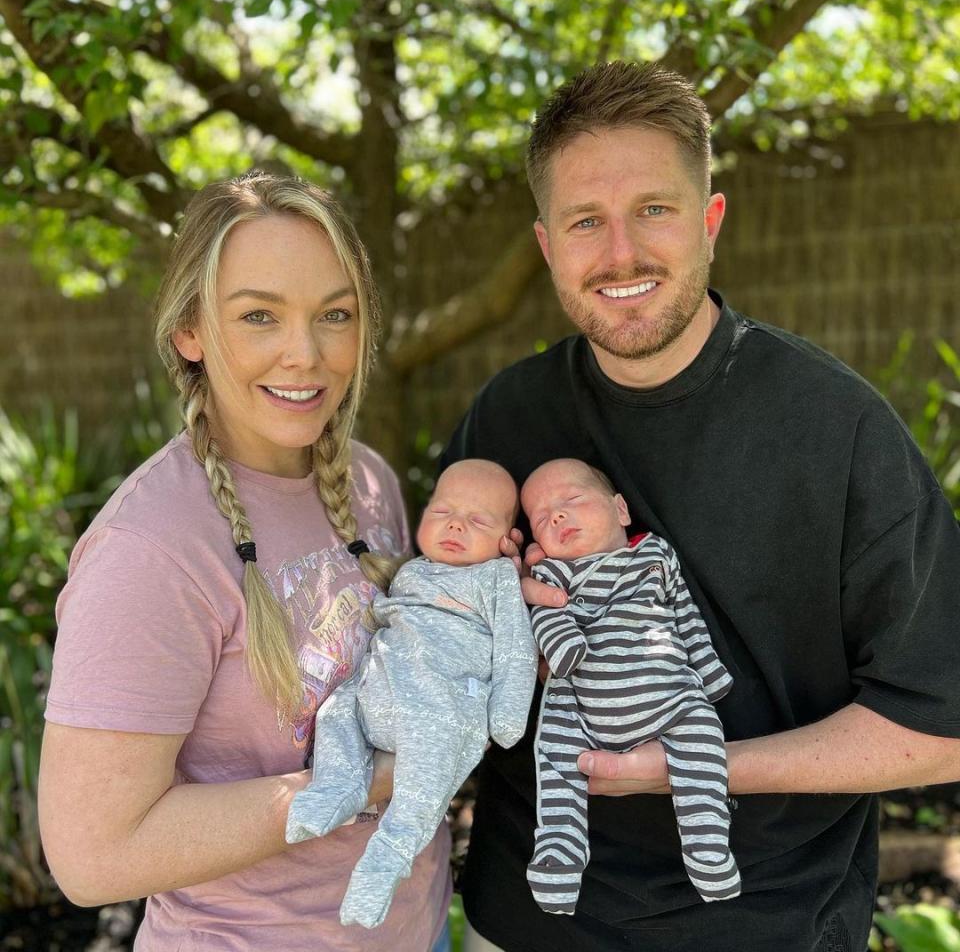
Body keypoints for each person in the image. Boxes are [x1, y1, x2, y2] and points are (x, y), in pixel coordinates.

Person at [441, 61, 960, 952]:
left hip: (767, 925)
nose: (620, 253)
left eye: (654, 209)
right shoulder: (508, 417)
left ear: (710, 221)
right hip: (524, 923)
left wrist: (690, 769)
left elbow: (941, 728)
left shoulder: (838, 430)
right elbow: (445, 657)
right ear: (546, 246)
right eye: (584, 222)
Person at [39, 172, 451, 952]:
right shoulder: (150, 549)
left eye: (335, 314)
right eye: (260, 315)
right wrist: (370, 780)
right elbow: (92, 856)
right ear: (190, 331)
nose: (306, 354)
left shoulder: (367, 483)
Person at [286, 458, 537, 930]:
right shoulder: (412, 571)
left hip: (442, 704)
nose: (455, 524)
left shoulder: (496, 579)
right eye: (443, 511)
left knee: (427, 779)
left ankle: (387, 857)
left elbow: (515, 648)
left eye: (477, 520)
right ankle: (336, 788)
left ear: (506, 541)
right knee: (336, 712)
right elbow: (390, 617)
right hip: (379, 690)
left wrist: (506, 711)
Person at [521, 458, 739, 914]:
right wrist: (562, 643)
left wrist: (709, 669)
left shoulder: (655, 556)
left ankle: (709, 846)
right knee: (555, 757)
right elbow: (547, 612)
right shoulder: (555, 574)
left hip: (670, 696)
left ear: (621, 510)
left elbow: (686, 614)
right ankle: (559, 852)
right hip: (581, 699)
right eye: (542, 517)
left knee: (702, 738)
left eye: (572, 500)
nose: (556, 515)